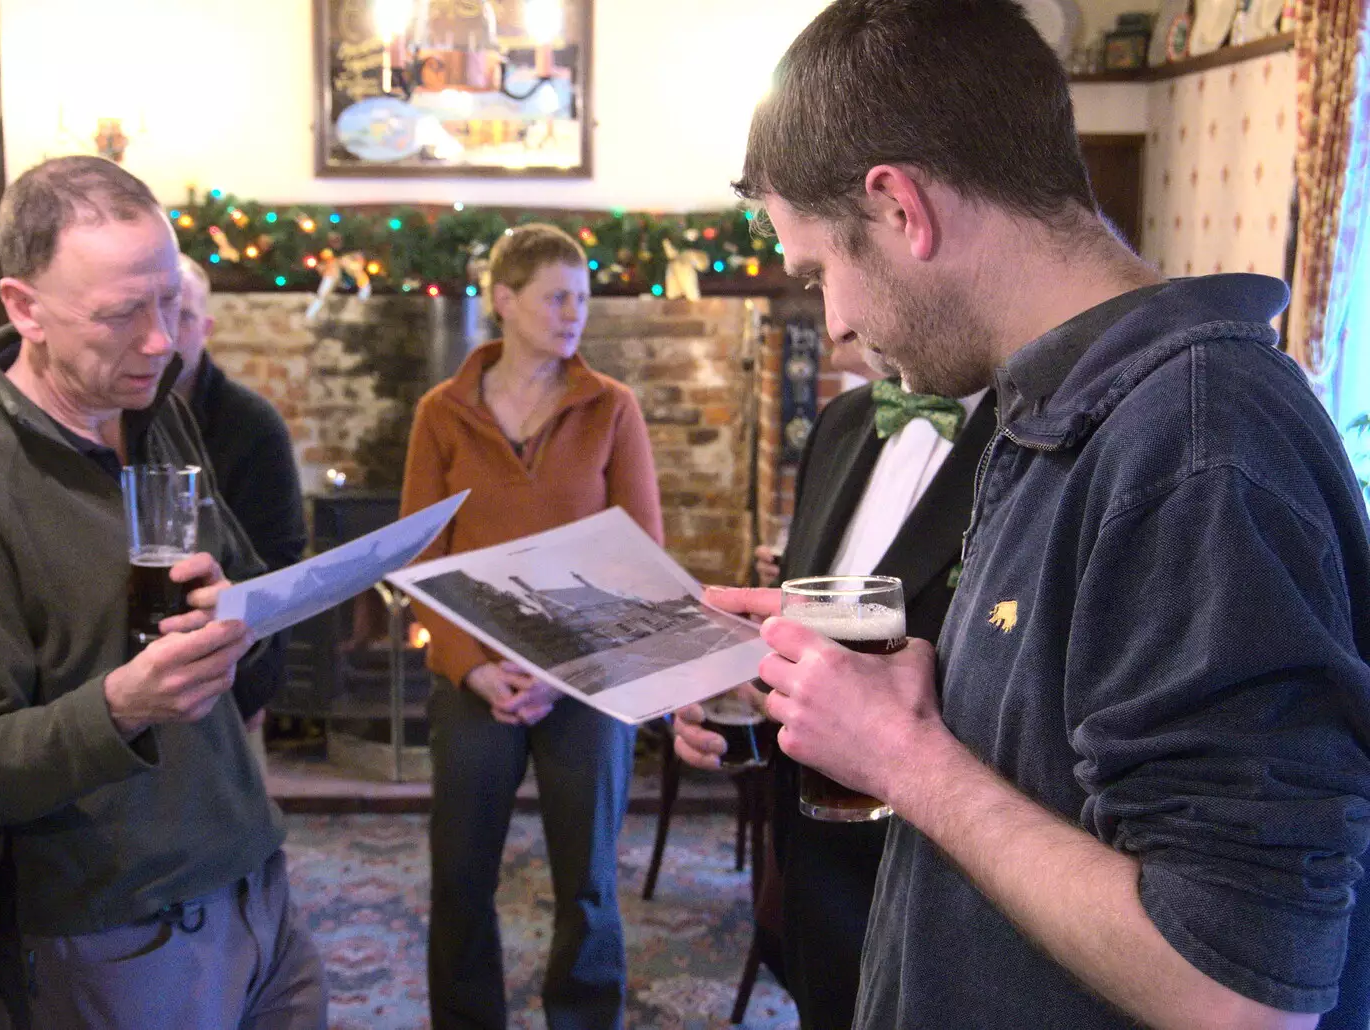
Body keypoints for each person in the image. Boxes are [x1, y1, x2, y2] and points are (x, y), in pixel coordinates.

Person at [714, 2, 1370, 1029]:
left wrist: (906, 758)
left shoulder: (1197, 445)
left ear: (900, 208)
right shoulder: (1061, 418)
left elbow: (1242, 993)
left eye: (819, 271)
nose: (833, 319)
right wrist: (903, 702)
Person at [0, 155, 326, 1029]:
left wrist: (242, 615)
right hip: (121, 929)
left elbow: (248, 621)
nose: (162, 340)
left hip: (254, 878)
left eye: (168, 302)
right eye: (123, 313)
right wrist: (123, 704)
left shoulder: (156, 409)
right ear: (24, 307)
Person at [400, 223, 663, 1030]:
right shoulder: (440, 414)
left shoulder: (612, 407)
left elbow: (642, 563)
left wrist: (564, 669)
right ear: (504, 301)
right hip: (475, 679)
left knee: (586, 878)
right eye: (557, 297)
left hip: (585, 680)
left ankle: (584, 1018)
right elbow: (419, 556)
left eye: (582, 299)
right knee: (461, 875)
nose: (573, 313)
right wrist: (473, 666)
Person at [676, 367, 995, 1028]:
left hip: (942, 894)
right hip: (814, 880)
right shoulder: (843, 421)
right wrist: (740, 715)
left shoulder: (1033, 438)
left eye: (829, 275)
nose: (833, 322)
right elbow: (808, 640)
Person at [171, 253, 307, 738]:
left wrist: (251, 681)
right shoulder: (112, 422)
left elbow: (278, 563)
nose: (165, 330)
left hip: (230, 674)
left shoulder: (253, 426)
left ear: (205, 327)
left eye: (181, 315)